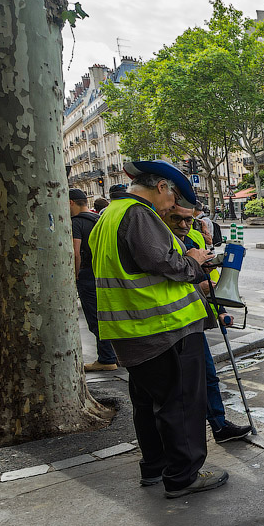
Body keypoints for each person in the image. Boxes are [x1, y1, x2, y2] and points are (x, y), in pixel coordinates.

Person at [88, 160, 229, 499]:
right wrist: (195, 260)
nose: (174, 207)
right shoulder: (139, 214)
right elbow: (165, 263)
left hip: (134, 333)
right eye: (174, 198)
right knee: (181, 404)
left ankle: (155, 466)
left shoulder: (109, 215)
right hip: (166, 330)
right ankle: (183, 476)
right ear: (163, 187)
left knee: (149, 403)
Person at [160, 201, 253, 444]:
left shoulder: (195, 238)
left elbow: (207, 278)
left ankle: (218, 425)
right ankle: (186, 440)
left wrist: (219, 308)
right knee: (179, 386)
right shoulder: (160, 242)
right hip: (166, 323)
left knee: (207, 376)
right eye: (176, 219)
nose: (183, 225)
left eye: (188, 219)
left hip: (192, 318)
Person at [70, 188, 118, 372]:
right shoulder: (98, 219)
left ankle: (106, 358)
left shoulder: (75, 223)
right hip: (105, 272)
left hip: (88, 274)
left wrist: (75, 276)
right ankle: (115, 354)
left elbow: (75, 253)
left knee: (95, 318)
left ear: (70, 203)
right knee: (108, 315)